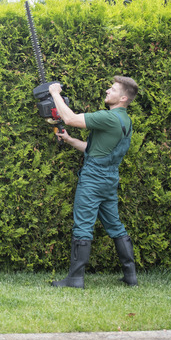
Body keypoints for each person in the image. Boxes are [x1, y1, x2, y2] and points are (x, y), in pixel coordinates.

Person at [48, 76, 139, 288]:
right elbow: (95, 149)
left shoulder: (108, 117)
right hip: (109, 178)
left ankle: (75, 278)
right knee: (115, 225)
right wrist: (71, 141)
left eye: (113, 89)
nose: (108, 91)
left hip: (93, 179)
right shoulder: (125, 120)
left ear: (123, 97)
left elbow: (69, 118)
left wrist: (54, 93)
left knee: (83, 226)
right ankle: (130, 276)